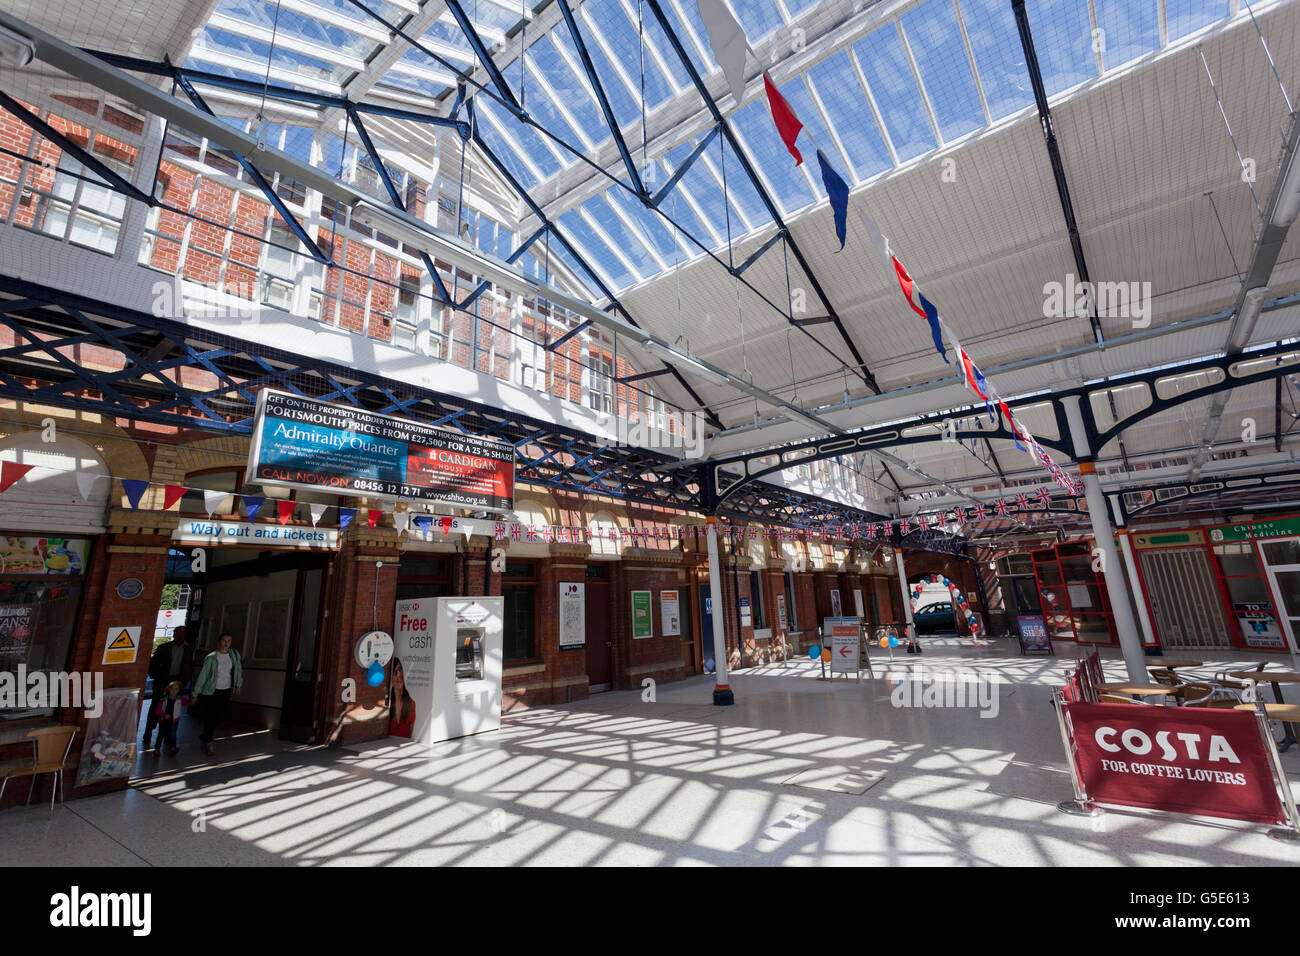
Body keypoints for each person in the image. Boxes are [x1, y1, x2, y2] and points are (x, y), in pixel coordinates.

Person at [143, 626, 193, 752]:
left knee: (173, 708)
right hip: (163, 680)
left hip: (177, 682)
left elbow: (188, 666)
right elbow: (152, 664)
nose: (180, 637)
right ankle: (148, 732)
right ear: (174, 635)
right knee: (156, 706)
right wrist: (157, 678)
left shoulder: (188, 650)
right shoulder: (164, 648)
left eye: (182, 634)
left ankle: (168, 736)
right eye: (177, 634)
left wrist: (184, 682)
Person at [191, 632, 242, 756]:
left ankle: (204, 736)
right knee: (210, 717)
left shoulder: (233, 655)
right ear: (219, 642)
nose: (226, 643)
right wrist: (195, 693)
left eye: (229, 641)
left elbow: (238, 670)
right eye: (224, 641)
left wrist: (238, 685)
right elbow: (203, 675)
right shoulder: (212, 657)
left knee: (219, 717)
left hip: (226, 690)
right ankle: (209, 744)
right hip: (212, 691)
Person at [152, 681, 188, 756]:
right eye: (172, 689)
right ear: (168, 690)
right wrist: (164, 715)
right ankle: (157, 749)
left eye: (176, 689)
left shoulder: (180, 699)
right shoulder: (163, 699)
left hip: (174, 721)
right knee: (161, 735)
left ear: (179, 690)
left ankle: (173, 747)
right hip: (164, 721)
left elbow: (187, 703)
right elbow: (157, 710)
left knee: (173, 734)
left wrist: (192, 701)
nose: (174, 691)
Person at [388, 656, 415, 738]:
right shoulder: (387, 702)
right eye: (395, 672)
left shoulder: (411, 703)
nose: (399, 675)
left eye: (400, 669)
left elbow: (410, 734)